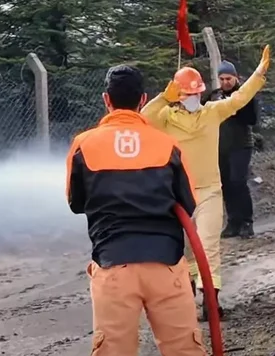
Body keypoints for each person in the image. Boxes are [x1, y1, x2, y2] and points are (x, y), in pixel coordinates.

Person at [65, 64, 206, 356]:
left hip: (114, 266)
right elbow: (189, 203)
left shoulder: (83, 145)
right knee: (185, 351)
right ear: (143, 100)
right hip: (166, 264)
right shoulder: (168, 145)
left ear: (107, 100)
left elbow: (76, 203)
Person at [141, 46, 270, 320]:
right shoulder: (166, 118)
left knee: (208, 245)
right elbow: (144, 118)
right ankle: (187, 297)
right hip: (179, 195)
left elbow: (239, 99)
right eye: (186, 93)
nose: (192, 97)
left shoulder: (212, 112)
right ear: (178, 95)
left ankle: (211, 301)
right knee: (185, 249)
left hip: (210, 192)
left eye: (195, 92)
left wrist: (259, 73)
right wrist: (165, 96)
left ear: (201, 92)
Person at [202, 60, 259, 239]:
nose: (225, 82)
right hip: (220, 147)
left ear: (236, 78)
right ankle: (233, 221)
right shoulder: (214, 96)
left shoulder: (244, 94)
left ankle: (246, 222)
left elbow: (252, 119)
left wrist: (235, 109)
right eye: (222, 79)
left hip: (241, 145)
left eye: (229, 78)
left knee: (238, 182)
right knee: (225, 183)